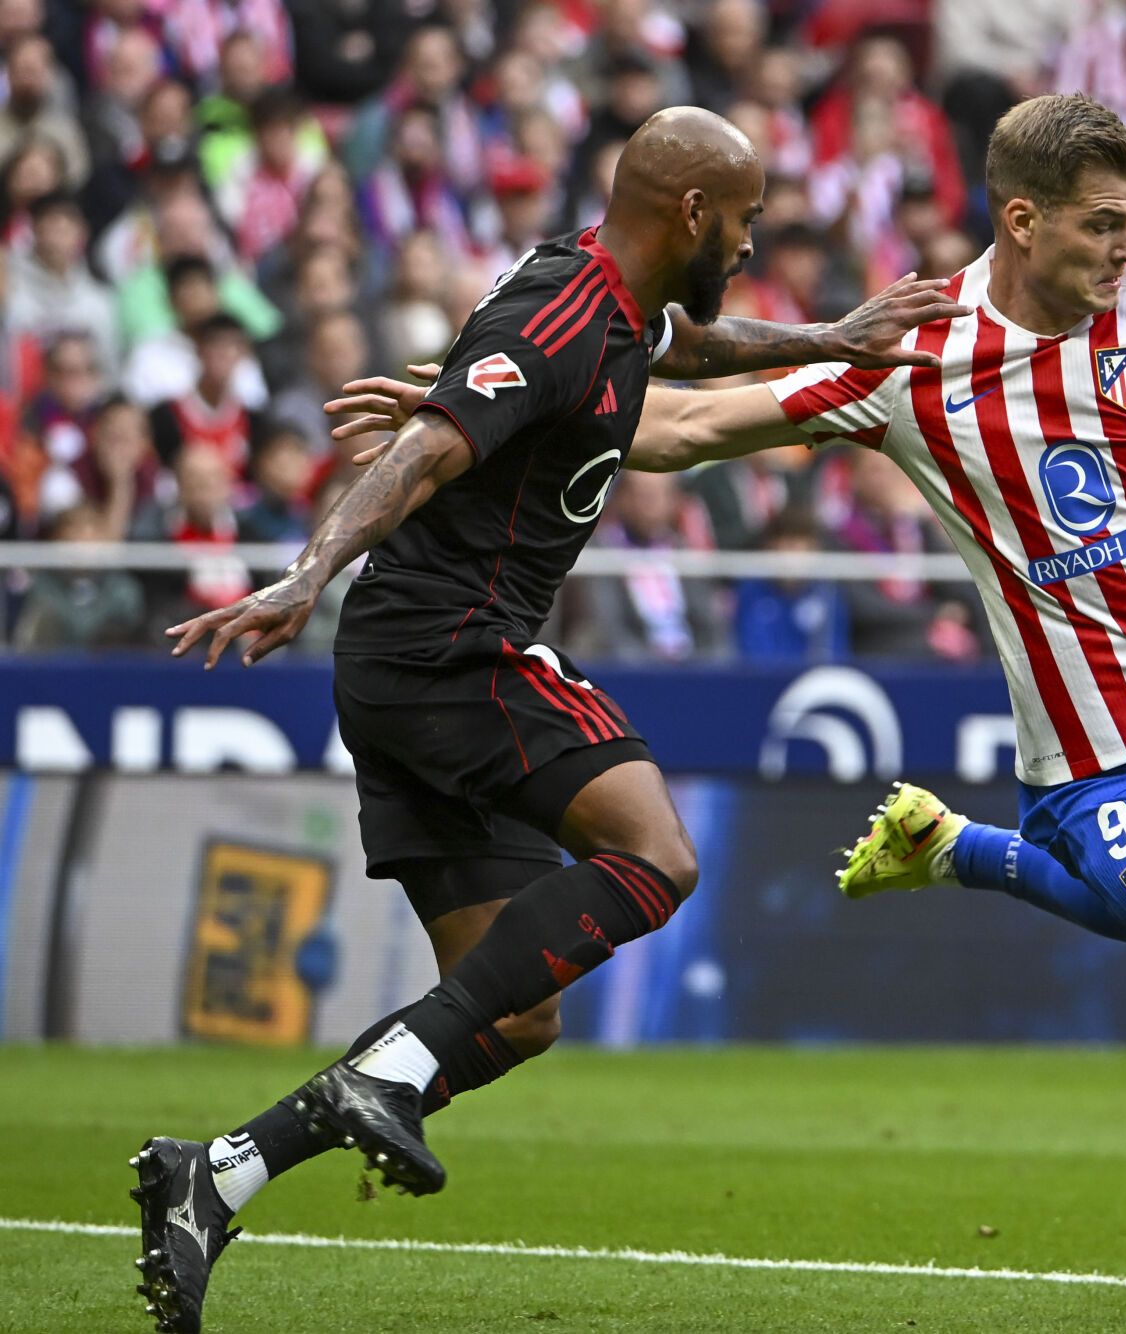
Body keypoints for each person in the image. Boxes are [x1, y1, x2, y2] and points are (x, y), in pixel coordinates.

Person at [346, 93, 1126, 1283]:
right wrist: (499, 403)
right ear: (1021, 219)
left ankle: (963, 850)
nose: (1125, 250)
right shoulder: (922, 357)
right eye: (1101, 226)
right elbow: (684, 430)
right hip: (1099, 772)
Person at [129, 106, 966, 1334]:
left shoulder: (614, 300)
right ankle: (387, 1077)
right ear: (691, 210)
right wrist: (307, 571)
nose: (748, 241)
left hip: (410, 661)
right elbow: (420, 449)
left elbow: (681, 348)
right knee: (660, 852)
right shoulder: (559, 310)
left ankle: (214, 1173)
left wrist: (827, 336)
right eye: (742, 219)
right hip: (448, 644)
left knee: (513, 1010)